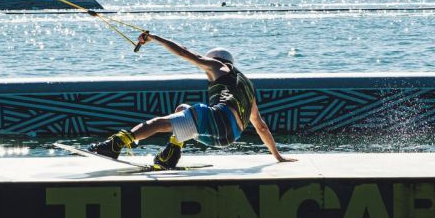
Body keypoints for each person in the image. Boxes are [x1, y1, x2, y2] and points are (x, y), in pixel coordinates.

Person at [88, 32, 295, 166]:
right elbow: (261, 127)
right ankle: (171, 155)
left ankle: (116, 144)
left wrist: (154, 39)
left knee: (159, 123)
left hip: (216, 120)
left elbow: (185, 53)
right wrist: (277, 156)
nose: (206, 73)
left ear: (216, 60)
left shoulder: (218, 67)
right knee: (182, 109)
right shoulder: (247, 87)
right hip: (227, 137)